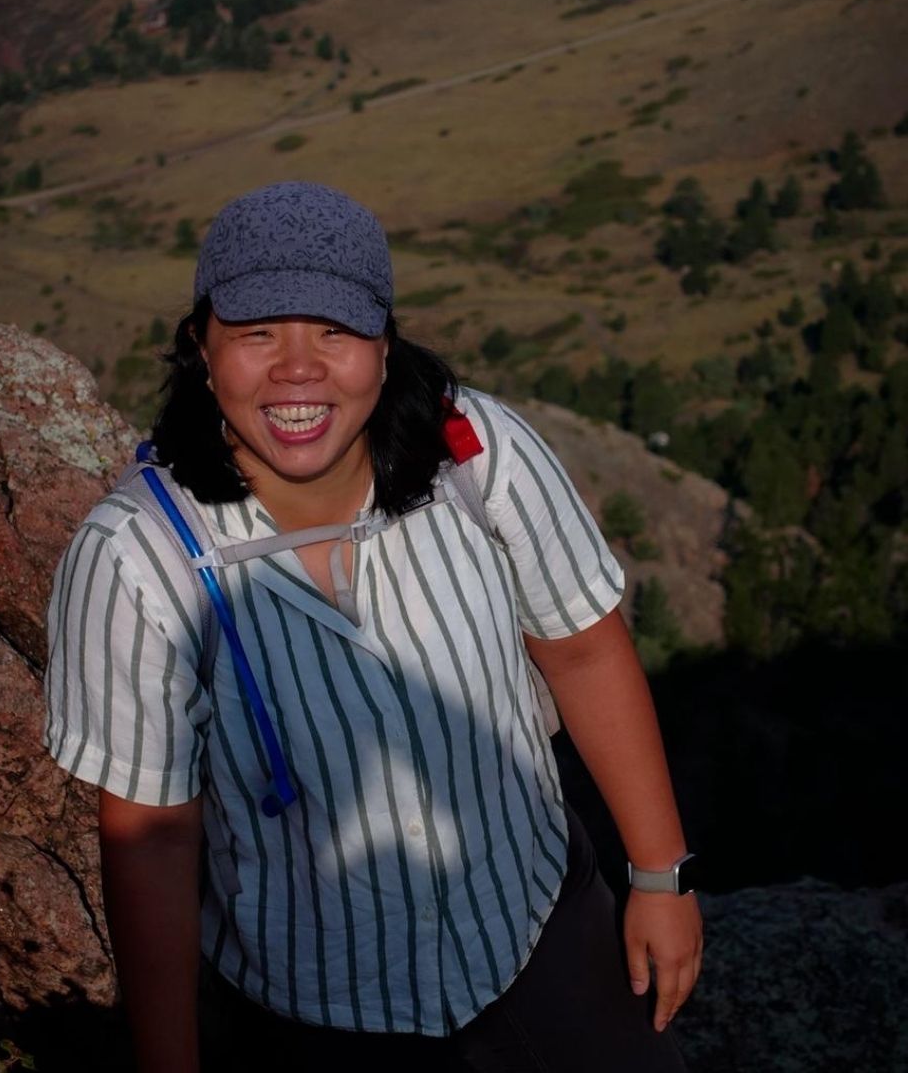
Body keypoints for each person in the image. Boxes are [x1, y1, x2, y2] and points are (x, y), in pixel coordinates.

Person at [45, 181, 702, 1072]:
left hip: (539, 940)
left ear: (385, 346)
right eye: (257, 332)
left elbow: (582, 651)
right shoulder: (137, 562)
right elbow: (152, 840)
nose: (298, 368)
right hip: (317, 1018)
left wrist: (661, 877)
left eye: (335, 330)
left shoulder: (475, 455)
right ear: (202, 347)